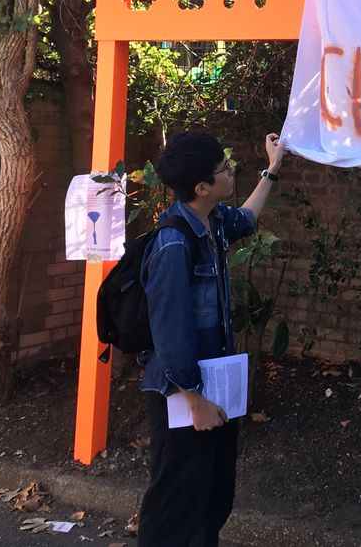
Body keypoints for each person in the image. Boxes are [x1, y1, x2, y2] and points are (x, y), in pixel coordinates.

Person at [137, 130, 286, 547]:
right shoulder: (172, 245)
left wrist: (273, 168)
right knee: (176, 505)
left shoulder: (214, 221)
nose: (231, 169)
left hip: (215, 387)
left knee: (214, 498)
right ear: (202, 187)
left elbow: (248, 218)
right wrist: (195, 400)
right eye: (223, 167)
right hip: (184, 394)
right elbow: (171, 333)